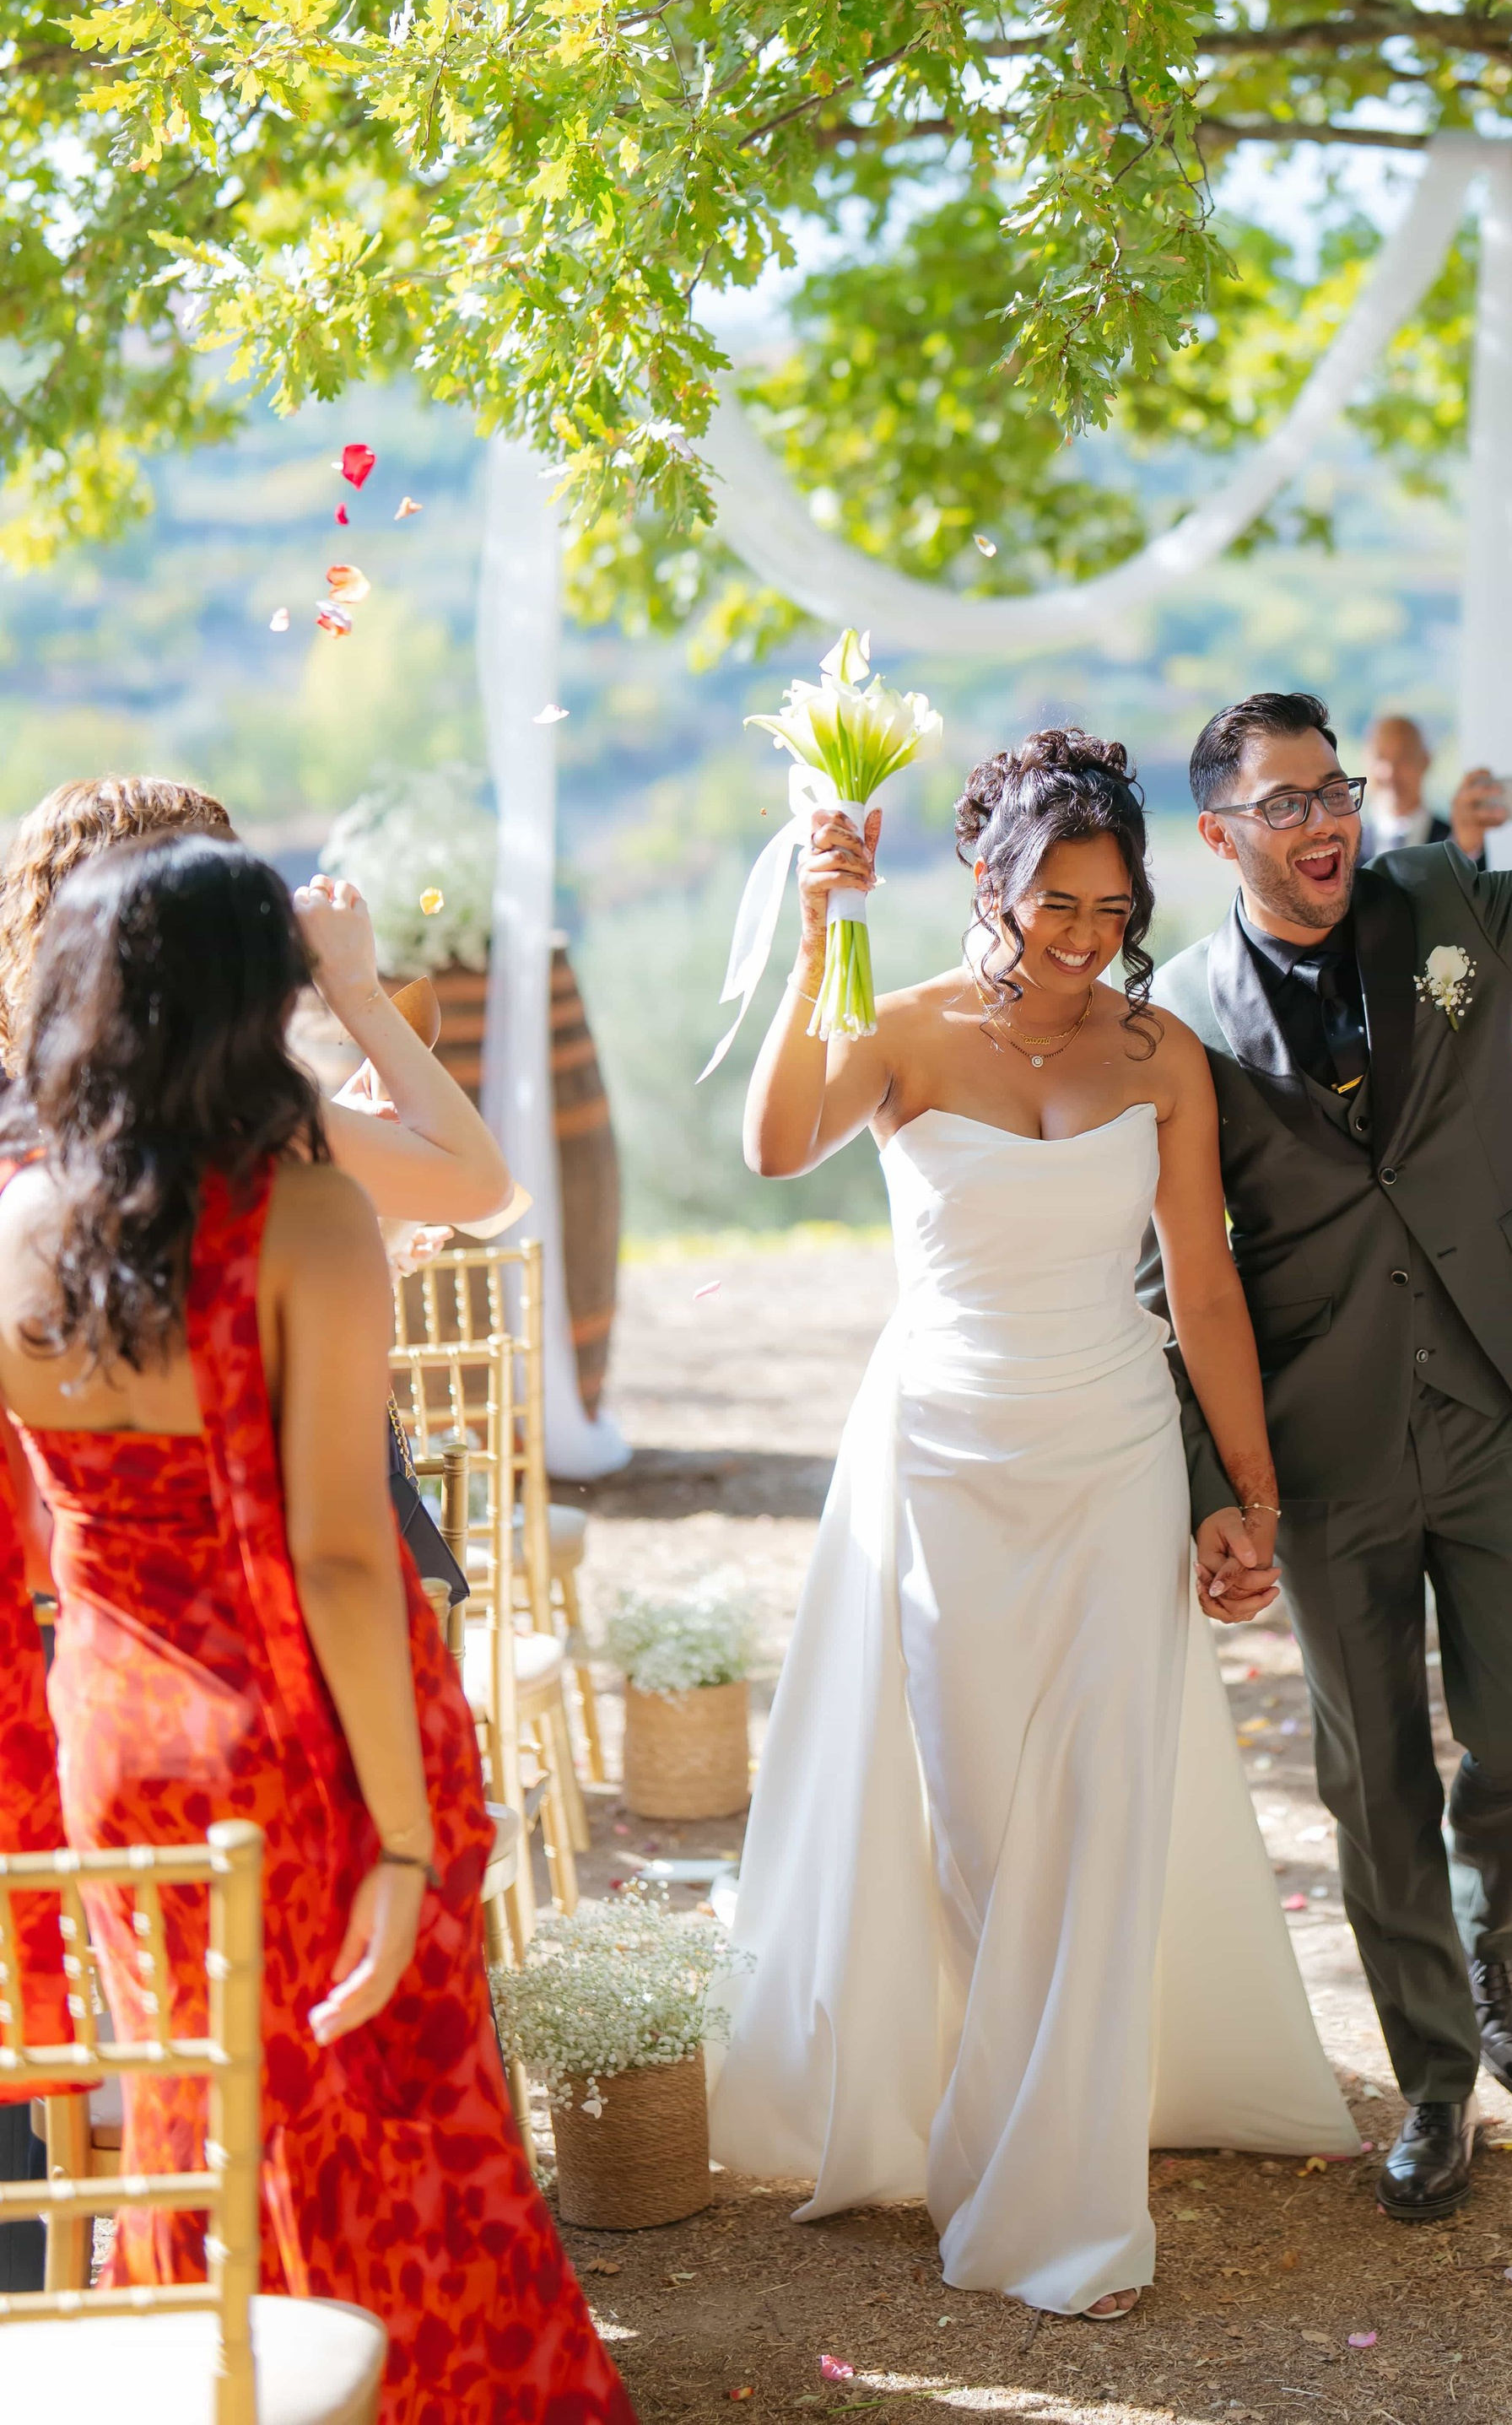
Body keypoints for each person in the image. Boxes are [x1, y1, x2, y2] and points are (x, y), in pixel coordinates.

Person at [709, 730, 1355, 2320]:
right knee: (987, 1819)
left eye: (1110, 906)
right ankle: (968, 2113)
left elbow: (1200, 1286)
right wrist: (818, 943)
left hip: (1120, 1455)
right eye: (1052, 902)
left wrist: (1247, 1497)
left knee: (1102, 1807)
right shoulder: (903, 1029)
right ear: (984, 884)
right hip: (946, 1459)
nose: (1081, 936)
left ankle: (1058, 2195)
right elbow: (774, 1143)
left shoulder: (1159, 1055)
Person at [0, 835, 632, 2424]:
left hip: (115, 1729)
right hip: (302, 1730)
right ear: (254, 1003)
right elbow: (347, 1556)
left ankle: (221, 2379)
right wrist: (409, 1839)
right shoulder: (306, 1218)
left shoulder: (16, 1229)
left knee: (198, 2107)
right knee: (395, 2112)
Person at [1148, 570, 1512, 2224]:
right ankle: (1428, 2084)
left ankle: (1496, 1933)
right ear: (1219, 835)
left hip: (1494, 1395)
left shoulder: (1450, 913)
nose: (1324, 819)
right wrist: (1215, 1480)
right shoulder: (1175, 1023)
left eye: (1333, 788)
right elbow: (1165, 1274)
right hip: (1320, 1446)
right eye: (1287, 801)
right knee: (1369, 1772)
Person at [0, 776, 516, 1597]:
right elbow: (480, 1183)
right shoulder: (242, 1110)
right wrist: (357, 989)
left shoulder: (23, 1111)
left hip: (86, 1597)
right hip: (281, 1564)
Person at [1364, 713, 1506, 861]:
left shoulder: (1464, 843)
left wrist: (1464, 850)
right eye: (1380, 757)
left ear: (1426, 761)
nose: (1390, 772)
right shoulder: (1349, 846)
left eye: (1404, 757)